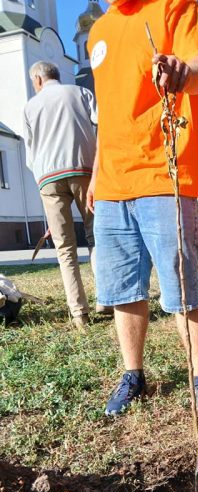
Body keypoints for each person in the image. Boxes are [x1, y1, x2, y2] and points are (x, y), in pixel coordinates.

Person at [87, 0, 198, 417]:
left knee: (183, 286)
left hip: (166, 173)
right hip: (111, 181)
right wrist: (95, 174)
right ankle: (133, 376)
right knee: (123, 290)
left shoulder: (175, 7)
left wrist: (183, 73)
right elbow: (108, 116)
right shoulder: (98, 31)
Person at [24, 61, 98, 329]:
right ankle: (106, 300)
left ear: (38, 79)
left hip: (49, 179)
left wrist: (42, 179)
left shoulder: (31, 106)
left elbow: (30, 153)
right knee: (95, 235)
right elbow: (101, 125)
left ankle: (79, 313)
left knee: (64, 248)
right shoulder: (81, 93)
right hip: (84, 170)